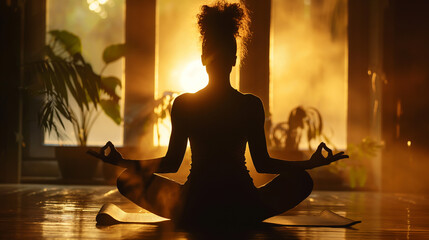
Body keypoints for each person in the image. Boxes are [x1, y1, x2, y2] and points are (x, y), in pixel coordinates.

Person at [89, 1, 348, 228]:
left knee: (127, 180)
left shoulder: (185, 103)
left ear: (203, 58)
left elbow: (171, 163)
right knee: (302, 180)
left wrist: (122, 162)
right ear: (235, 60)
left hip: (194, 205)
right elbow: (263, 164)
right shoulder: (250, 104)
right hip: (244, 204)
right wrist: (309, 165)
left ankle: (204, 215)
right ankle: (242, 216)